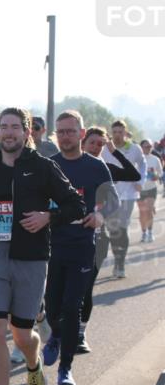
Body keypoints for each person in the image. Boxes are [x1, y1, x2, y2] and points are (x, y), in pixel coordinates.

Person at [0, 108, 84, 385]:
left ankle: (33, 364)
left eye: (15, 127)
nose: (8, 133)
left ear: (26, 131)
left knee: (21, 335)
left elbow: (76, 205)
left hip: (30, 257)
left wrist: (48, 216)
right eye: (3, 127)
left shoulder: (43, 168)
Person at [40, 111, 117, 385]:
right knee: (52, 307)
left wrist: (100, 216)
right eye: (60, 132)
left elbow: (112, 201)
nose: (65, 136)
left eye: (70, 131)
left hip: (83, 245)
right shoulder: (49, 165)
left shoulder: (96, 167)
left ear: (81, 134)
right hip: (53, 245)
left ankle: (65, 368)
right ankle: (57, 335)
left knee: (72, 307)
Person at [78, 126, 141, 352]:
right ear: (83, 141)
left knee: (85, 288)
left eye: (100, 144)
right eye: (92, 142)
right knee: (60, 288)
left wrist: (114, 151)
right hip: (66, 237)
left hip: (97, 237)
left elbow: (134, 175)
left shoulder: (105, 169)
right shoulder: (65, 165)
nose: (96, 147)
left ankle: (80, 333)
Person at [103, 120, 146, 278]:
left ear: (125, 133)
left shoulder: (134, 148)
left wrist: (140, 182)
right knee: (113, 229)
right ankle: (117, 257)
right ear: (111, 132)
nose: (117, 135)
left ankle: (120, 263)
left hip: (128, 194)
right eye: (114, 132)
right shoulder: (105, 149)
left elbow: (142, 165)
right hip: (109, 196)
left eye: (120, 132)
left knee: (122, 227)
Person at [138, 138, 161, 243]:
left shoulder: (155, 159)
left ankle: (150, 232)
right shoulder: (137, 159)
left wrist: (157, 176)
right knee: (143, 212)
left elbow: (160, 172)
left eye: (150, 146)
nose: (148, 148)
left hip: (152, 188)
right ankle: (144, 233)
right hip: (140, 189)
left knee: (149, 210)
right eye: (146, 146)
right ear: (141, 147)